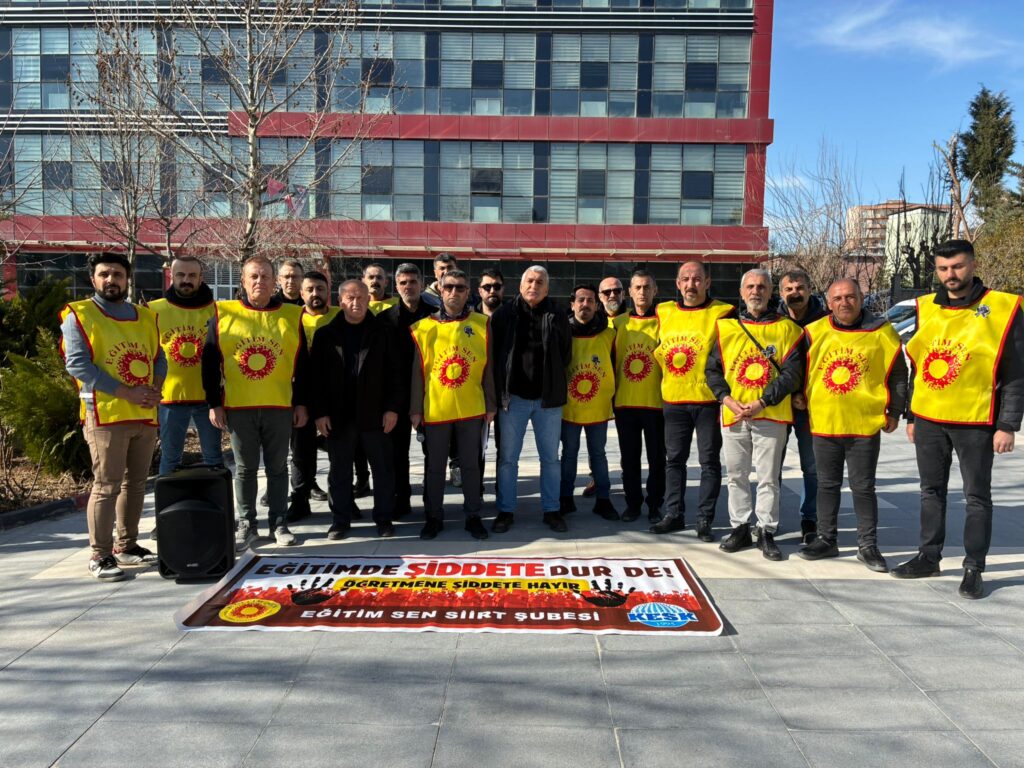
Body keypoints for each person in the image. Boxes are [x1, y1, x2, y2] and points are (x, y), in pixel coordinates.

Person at [892, 239, 1024, 599]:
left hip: (976, 420)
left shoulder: (1003, 308)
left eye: (958, 266)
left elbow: (1015, 372)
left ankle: (973, 567)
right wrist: (911, 415)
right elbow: (917, 367)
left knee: (976, 496)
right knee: (930, 491)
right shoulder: (924, 309)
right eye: (943, 268)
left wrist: (1008, 425)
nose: (951, 274)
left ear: (972, 264)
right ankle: (928, 556)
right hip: (929, 419)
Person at [61, 252, 165, 580]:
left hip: (144, 412)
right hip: (105, 414)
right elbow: (78, 365)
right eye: (104, 274)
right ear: (93, 278)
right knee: (107, 485)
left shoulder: (145, 316)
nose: (111, 280)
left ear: (127, 279)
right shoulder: (79, 315)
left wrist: (155, 387)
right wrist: (125, 392)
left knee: (136, 484)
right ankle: (100, 554)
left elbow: (159, 357)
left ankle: (127, 545)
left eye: (117, 274)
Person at [798, 279, 908, 572]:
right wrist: (798, 394)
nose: (844, 302)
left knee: (863, 487)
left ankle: (868, 545)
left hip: (864, 425)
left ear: (861, 298)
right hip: (825, 422)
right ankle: (826, 538)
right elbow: (799, 369)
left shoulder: (881, 332)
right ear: (828, 302)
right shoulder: (813, 331)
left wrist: (896, 410)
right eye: (837, 298)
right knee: (826, 484)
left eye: (850, 297)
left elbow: (898, 373)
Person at [203, 255, 310, 550]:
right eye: (254, 276)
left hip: (279, 406)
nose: (259, 281)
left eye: (265, 276)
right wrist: (214, 403)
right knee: (245, 469)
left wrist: (301, 403)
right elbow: (209, 362)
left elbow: (302, 365)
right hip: (239, 407)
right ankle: (247, 523)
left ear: (275, 281)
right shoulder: (224, 314)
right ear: (243, 281)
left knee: (278, 468)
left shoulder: (291, 316)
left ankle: (279, 522)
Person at [706, 268, 804, 561]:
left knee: (768, 477)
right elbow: (712, 370)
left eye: (761, 286)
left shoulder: (789, 330)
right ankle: (739, 527)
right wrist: (726, 399)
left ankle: (766, 530)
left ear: (771, 291)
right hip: (734, 414)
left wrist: (763, 401)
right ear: (741, 292)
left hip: (770, 415)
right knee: (736, 475)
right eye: (750, 286)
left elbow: (792, 375)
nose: (755, 292)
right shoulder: (725, 328)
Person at [410, 268, 496, 540]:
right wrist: (415, 409)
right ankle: (433, 516)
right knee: (434, 467)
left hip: (472, 407)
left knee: (471, 465)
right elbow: (418, 373)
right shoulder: (423, 328)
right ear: (440, 290)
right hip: (436, 409)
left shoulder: (482, 324)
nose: (454, 292)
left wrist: (491, 403)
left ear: (468, 292)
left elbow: (489, 368)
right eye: (449, 287)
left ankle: (473, 515)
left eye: (460, 287)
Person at [311, 280, 400, 539]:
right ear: (340, 301)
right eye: (350, 298)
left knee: (383, 470)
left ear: (368, 300)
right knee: (339, 471)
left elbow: (396, 375)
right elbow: (315, 379)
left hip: (376, 414)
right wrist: (320, 413)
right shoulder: (325, 335)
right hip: (338, 416)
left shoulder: (384, 332)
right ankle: (340, 520)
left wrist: (392, 408)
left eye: (361, 297)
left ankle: (383, 519)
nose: (356, 302)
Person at [652, 261, 734, 539]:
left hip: (707, 400)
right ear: (677, 284)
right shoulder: (663, 311)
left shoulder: (723, 312)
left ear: (707, 282)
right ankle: (673, 513)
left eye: (697, 279)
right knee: (674, 460)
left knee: (709, 462)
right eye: (685, 279)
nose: (691, 285)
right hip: (673, 399)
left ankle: (704, 519)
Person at [491, 265, 572, 534]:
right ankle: (506, 511)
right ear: (520, 285)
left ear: (547, 289)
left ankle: (551, 510)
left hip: (548, 401)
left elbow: (566, 354)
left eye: (539, 283)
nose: (533, 286)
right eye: (529, 281)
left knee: (550, 459)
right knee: (507, 459)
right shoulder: (504, 314)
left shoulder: (558, 314)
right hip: (513, 399)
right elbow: (494, 355)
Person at [148, 255, 223, 475]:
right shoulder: (152, 310)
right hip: (170, 398)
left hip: (208, 399)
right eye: (180, 274)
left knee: (214, 459)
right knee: (170, 460)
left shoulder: (218, 311)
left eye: (192, 275)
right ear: (172, 276)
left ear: (201, 278)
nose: (186, 280)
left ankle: (217, 497)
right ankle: (167, 498)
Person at [379, 263, 437, 519]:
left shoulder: (436, 315)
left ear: (421, 284)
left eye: (413, 282)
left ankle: (431, 502)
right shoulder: (385, 320)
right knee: (396, 453)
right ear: (396, 286)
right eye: (403, 282)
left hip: (432, 394)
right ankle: (401, 499)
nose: (408, 286)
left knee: (432, 453)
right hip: (396, 396)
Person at [560, 284, 618, 525]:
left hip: (598, 407)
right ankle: (565, 498)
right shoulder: (562, 331)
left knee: (599, 454)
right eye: (581, 300)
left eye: (590, 300)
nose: (585, 304)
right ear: (572, 304)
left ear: (597, 305)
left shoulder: (609, 334)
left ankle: (603, 499)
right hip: (569, 408)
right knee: (568, 454)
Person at [779, 269, 828, 543]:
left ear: (810, 289)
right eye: (789, 289)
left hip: (811, 406)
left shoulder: (826, 322)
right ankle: (769, 518)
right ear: (781, 293)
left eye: (799, 288)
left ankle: (810, 518)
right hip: (777, 404)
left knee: (812, 466)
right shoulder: (772, 321)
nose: (794, 293)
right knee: (772, 466)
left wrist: (804, 393)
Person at [612, 270, 665, 524]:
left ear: (655, 291)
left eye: (647, 287)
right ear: (629, 292)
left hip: (656, 403)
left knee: (657, 460)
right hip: (625, 403)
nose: (642, 292)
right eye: (637, 287)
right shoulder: (618, 323)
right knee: (630, 460)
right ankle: (632, 504)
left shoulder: (665, 321)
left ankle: (655, 505)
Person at [286, 271, 338, 522]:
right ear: (301, 293)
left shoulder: (340, 316)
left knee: (339, 451)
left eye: (320, 289)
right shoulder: (291, 318)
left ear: (328, 291)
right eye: (310, 289)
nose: (315, 294)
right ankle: (299, 499)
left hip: (334, 395)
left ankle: (341, 500)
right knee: (301, 451)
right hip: (301, 396)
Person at [476, 268, 506, 495]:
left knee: (504, 448)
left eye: (496, 286)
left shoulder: (513, 318)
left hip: (506, 392)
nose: (492, 290)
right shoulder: (469, 318)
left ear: (503, 289)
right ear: (479, 291)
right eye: (487, 287)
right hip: (476, 392)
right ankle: (475, 490)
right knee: (477, 448)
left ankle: (503, 492)